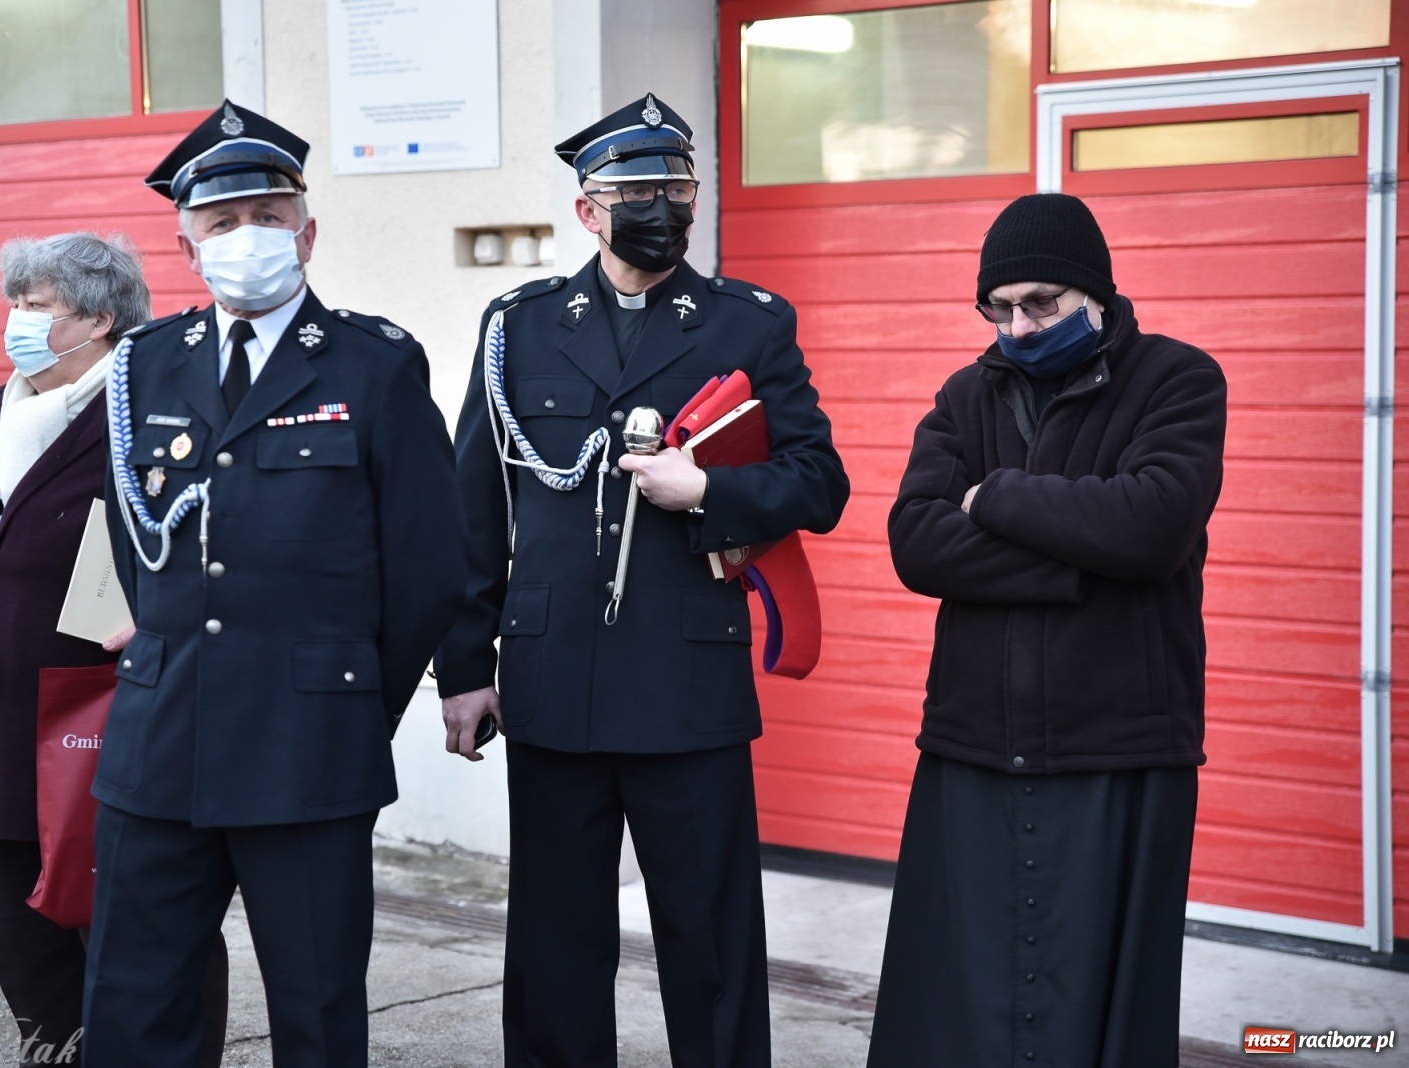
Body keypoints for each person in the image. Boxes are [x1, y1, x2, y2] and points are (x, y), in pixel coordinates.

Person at [437, 93, 848, 1067]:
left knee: (709, 946)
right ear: (588, 210)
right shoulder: (518, 327)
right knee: (553, 943)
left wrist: (707, 487)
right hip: (551, 681)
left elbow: (818, 482)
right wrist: (463, 665)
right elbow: (471, 513)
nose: (662, 206)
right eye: (637, 191)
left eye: (678, 187)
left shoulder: (746, 324)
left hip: (686, 685)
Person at [82, 100, 465, 1068]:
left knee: (318, 1013)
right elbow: (115, 534)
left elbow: (426, 565)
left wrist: (341, 696)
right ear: (186, 244)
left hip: (309, 753)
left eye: (266, 216)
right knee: (133, 1006)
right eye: (221, 223)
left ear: (307, 231)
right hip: (160, 745)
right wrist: (125, 651)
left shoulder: (374, 364)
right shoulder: (141, 367)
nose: (246, 237)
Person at [873, 192, 1227, 1067]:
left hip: (1118, 744)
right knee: (958, 1009)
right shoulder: (964, 396)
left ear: (1095, 294)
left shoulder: (1178, 380)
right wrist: (1082, 557)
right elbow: (917, 543)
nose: (1019, 327)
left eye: (1041, 304)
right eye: (999, 308)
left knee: (1099, 1011)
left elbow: (1152, 524)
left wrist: (995, 498)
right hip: (974, 741)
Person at [0, 232, 228, 1066]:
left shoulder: (143, 411)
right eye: (15, 304)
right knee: (27, 949)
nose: (16, 323)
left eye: (35, 307)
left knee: (143, 941)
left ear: (99, 321)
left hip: (102, 730)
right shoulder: (15, 409)